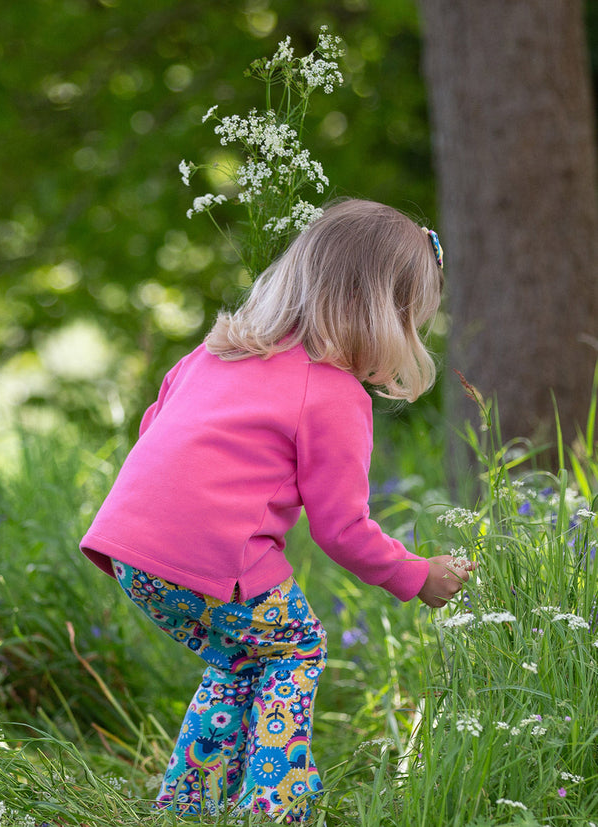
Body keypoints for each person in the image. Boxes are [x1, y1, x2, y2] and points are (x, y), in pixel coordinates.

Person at [80, 198, 474, 823]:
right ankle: (276, 807)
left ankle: (189, 805)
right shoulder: (334, 394)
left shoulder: (214, 354)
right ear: (386, 316)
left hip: (130, 550)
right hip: (212, 561)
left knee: (239, 659)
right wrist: (418, 574)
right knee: (296, 649)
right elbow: (342, 528)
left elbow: (155, 435)